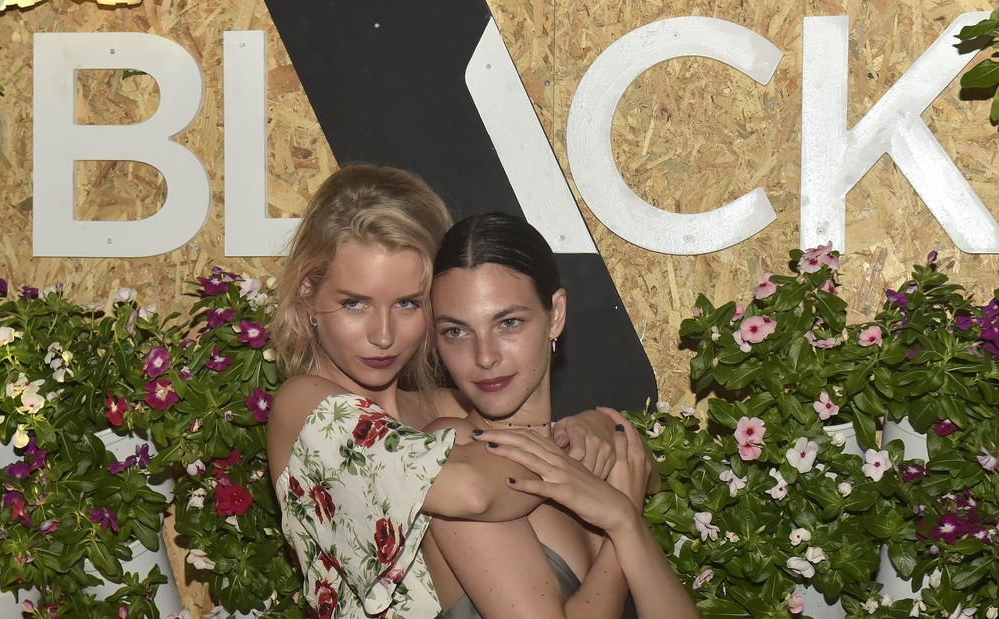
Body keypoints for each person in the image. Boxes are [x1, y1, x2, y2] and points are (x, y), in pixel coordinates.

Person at [266, 165, 623, 618]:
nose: (383, 335)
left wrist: (599, 428)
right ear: (307, 295)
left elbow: (621, 461)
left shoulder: (445, 403)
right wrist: (574, 452)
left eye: (407, 303)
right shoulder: (304, 407)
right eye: (354, 303)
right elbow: (471, 491)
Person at [423, 212, 699, 619]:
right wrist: (622, 518)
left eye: (508, 323)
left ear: (555, 315)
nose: (484, 356)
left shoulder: (590, 452)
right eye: (456, 331)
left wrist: (625, 520)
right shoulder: (453, 450)